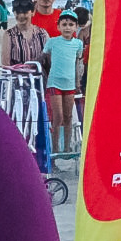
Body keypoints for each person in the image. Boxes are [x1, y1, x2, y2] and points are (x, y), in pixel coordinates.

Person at [43, 11, 86, 154]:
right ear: (59, 27)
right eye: (64, 24)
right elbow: (45, 59)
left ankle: (67, 148)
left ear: (76, 27)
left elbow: (77, 65)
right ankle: (55, 149)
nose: (67, 28)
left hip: (70, 85)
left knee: (68, 116)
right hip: (54, 83)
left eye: (71, 25)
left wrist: (77, 83)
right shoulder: (52, 42)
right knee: (58, 116)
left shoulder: (78, 44)